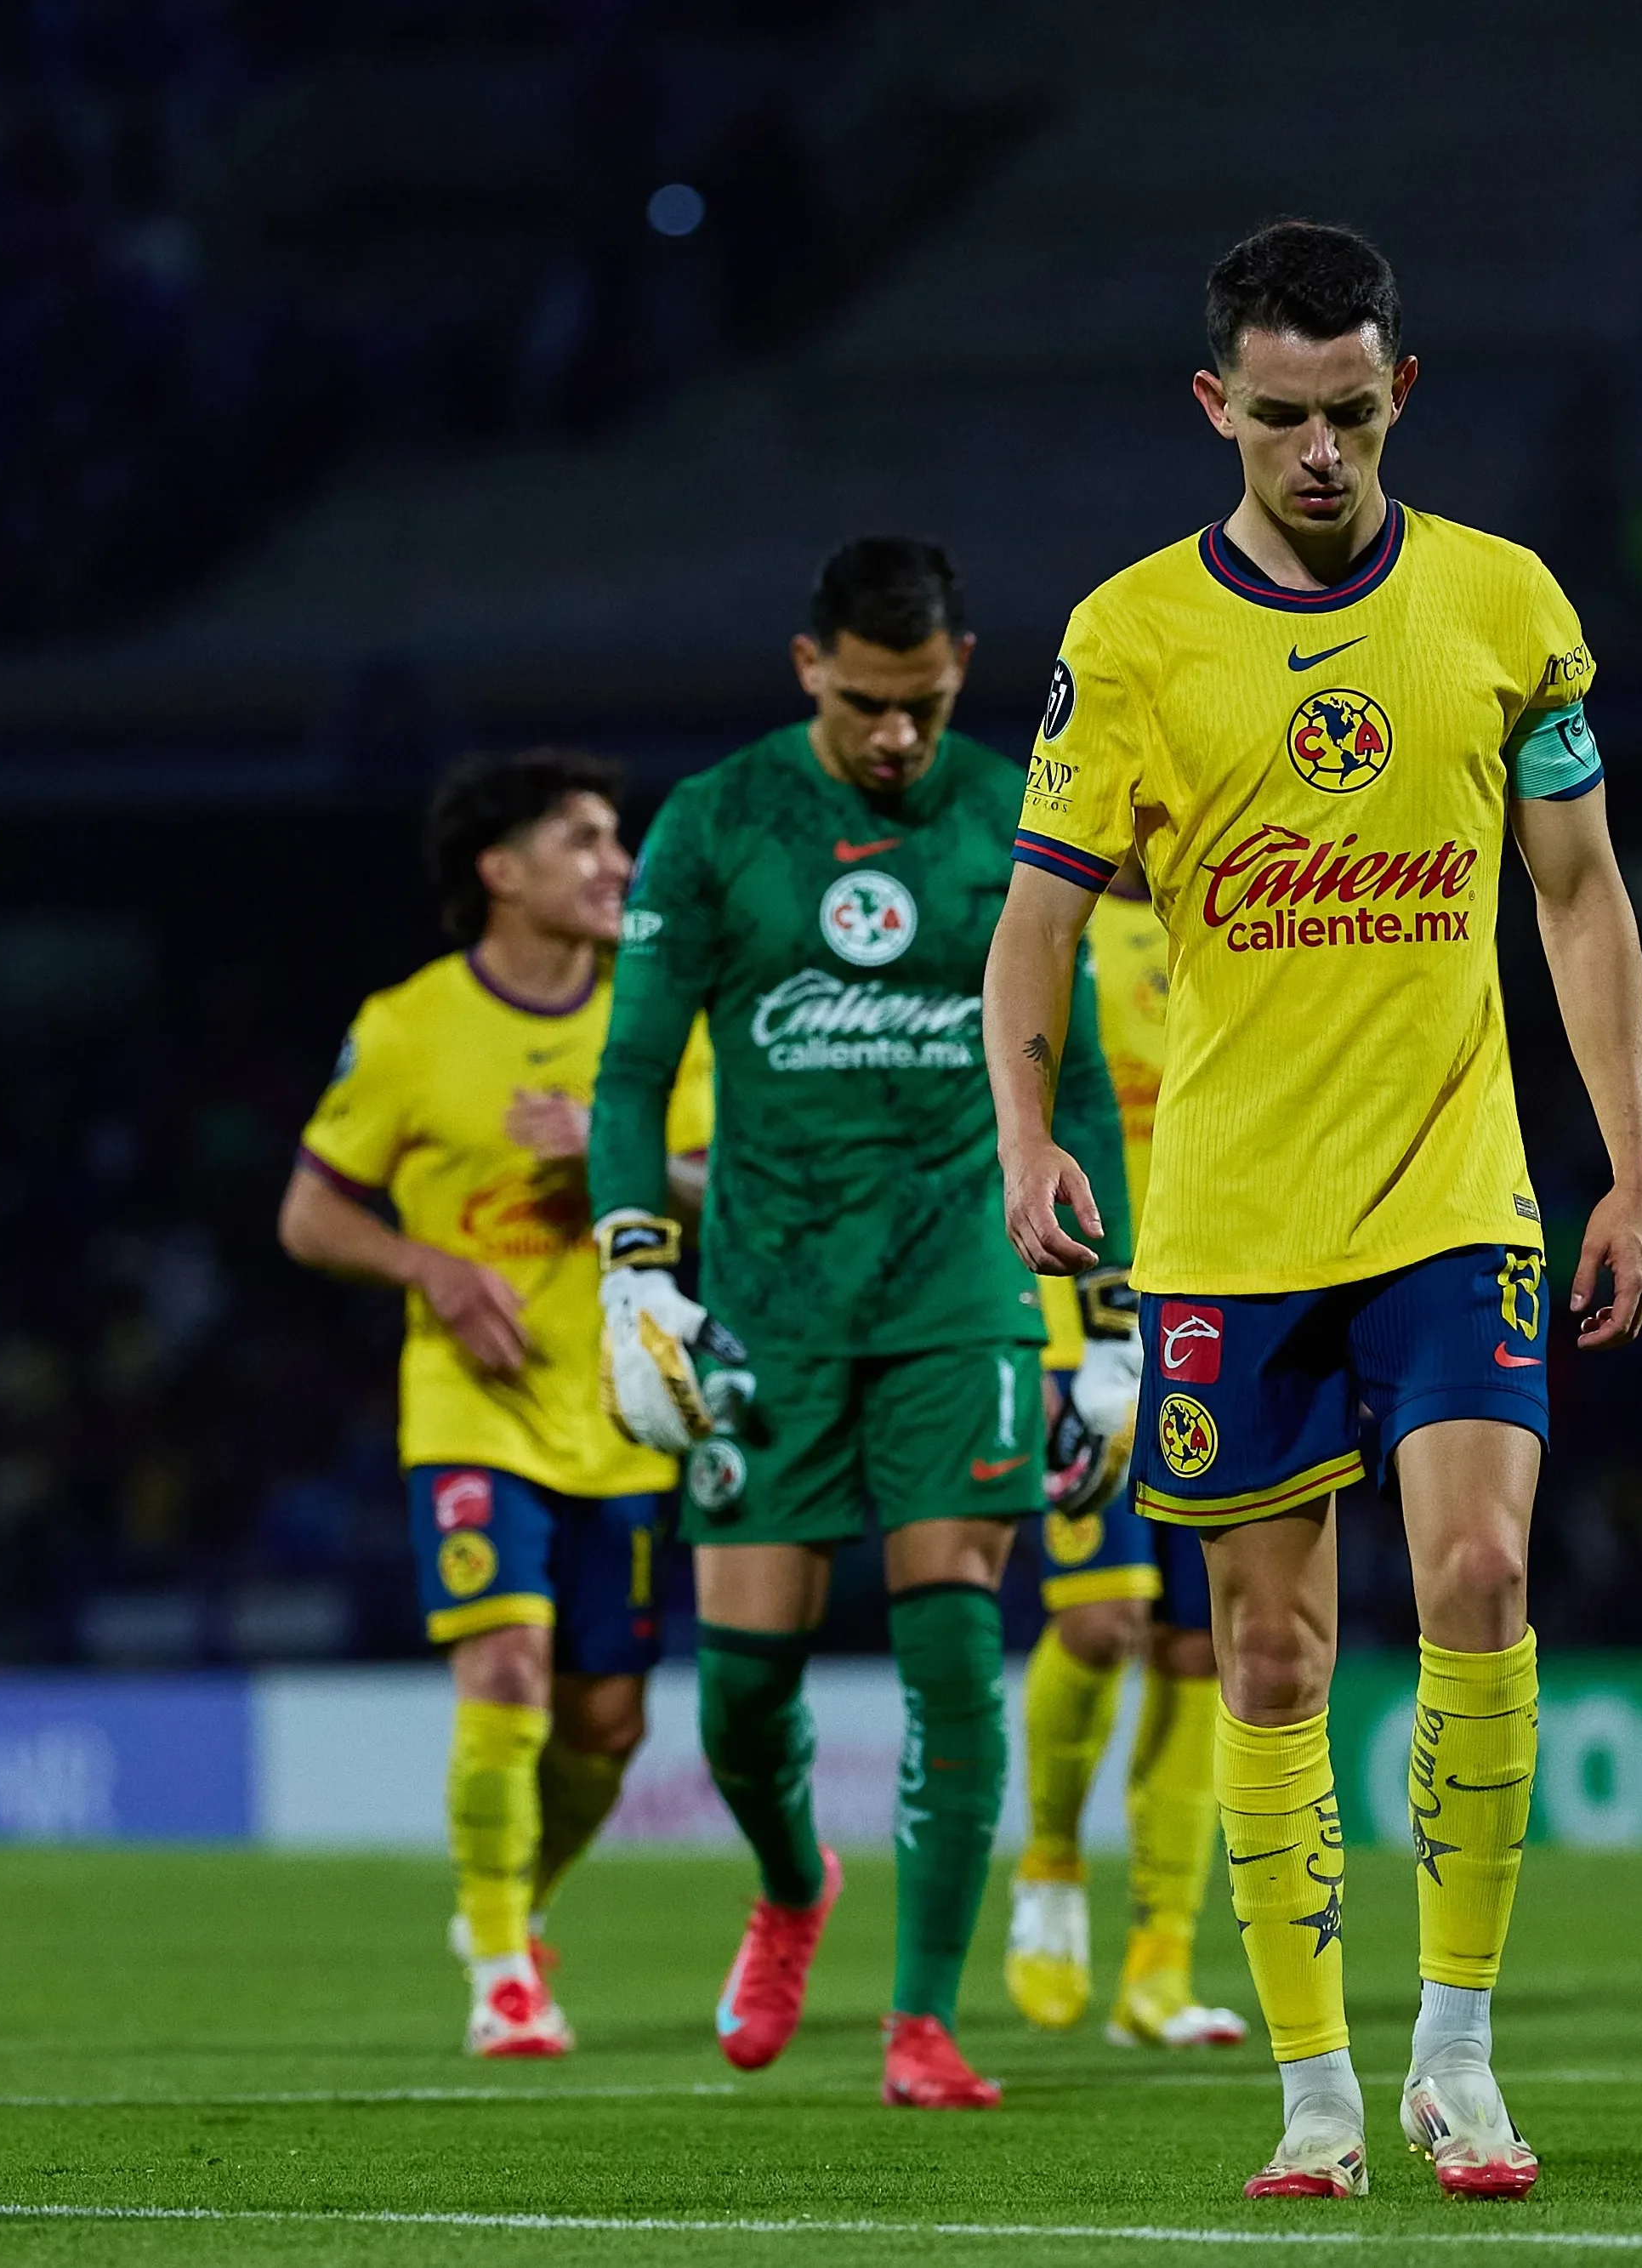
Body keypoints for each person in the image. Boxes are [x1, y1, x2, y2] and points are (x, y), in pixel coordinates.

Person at [986, 219, 1642, 2201]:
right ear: (1214, 404)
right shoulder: (1123, 642)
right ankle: (1309, 2093)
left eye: (1346, 414)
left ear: (1399, 396)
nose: (1312, 452)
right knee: (1265, 1660)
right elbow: (1032, 923)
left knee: (1472, 1579)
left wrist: (1628, 1156)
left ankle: (1454, 2053)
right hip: (1220, 1220)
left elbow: (1575, 892)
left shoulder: (1503, 605)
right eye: (1274, 417)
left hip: (1456, 1192)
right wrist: (1028, 1138)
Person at [588, 537, 1132, 2111]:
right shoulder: (717, 823)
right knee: (742, 1691)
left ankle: (921, 2018)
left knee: (955, 1641)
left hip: (958, 1296)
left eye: (928, 701)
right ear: (807, 664)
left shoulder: (1007, 817)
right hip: (766, 1305)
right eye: (871, 703)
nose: (899, 736)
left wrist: (1107, 1322)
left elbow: (1075, 1075)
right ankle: (791, 1881)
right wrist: (635, 1271)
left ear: (964, 664)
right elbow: (630, 1077)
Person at [281, 748, 714, 2058]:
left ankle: (510, 1910)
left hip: (626, 1408)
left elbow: (729, 1187)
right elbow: (309, 1212)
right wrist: (426, 1263)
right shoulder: (410, 1026)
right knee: (508, 1663)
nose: (617, 862)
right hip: (472, 1405)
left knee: (607, 1722)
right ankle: (507, 1984)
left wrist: (615, 1149)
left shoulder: (655, 1013)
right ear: (500, 870)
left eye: (617, 836)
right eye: (582, 838)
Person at [1004, 854, 1245, 2053]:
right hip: (1070, 1320)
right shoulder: (1046, 929)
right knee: (1100, 1624)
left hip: (1215, 1309)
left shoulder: (1238, 918)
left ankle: (1161, 1960)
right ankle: (1049, 1864)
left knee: (1201, 1643)